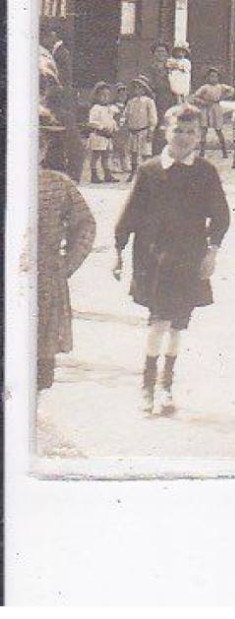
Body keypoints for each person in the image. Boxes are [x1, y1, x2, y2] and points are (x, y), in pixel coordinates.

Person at [113, 103, 232, 416]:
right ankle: (147, 387)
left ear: (199, 135)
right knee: (159, 321)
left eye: (191, 131)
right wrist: (118, 249)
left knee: (178, 324)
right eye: (178, 130)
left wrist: (213, 251)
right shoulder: (150, 170)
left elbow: (220, 215)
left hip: (189, 257)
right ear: (165, 131)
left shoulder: (205, 172)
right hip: (154, 257)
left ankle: (166, 386)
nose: (184, 137)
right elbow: (130, 212)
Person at [35, 108, 97, 391]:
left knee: (39, 370)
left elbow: (84, 225)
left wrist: (65, 265)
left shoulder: (58, 185)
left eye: (37, 144)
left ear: (44, 148)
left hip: (46, 283)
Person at [121, 78, 159, 180]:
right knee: (134, 152)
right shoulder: (130, 102)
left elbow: (152, 116)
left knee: (145, 153)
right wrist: (122, 123)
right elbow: (125, 114)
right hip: (133, 130)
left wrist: (151, 129)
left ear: (145, 89)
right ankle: (133, 173)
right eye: (136, 88)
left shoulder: (149, 102)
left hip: (144, 130)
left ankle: (147, 173)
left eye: (140, 88)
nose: (138, 90)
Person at [192, 67, 233, 160]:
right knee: (204, 129)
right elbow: (195, 97)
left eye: (215, 76)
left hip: (216, 108)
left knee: (218, 129)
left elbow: (231, 90)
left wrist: (223, 96)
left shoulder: (221, 86)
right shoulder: (205, 87)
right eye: (211, 76)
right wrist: (203, 102)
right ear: (207, 77)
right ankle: (202, 151)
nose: (213, 79)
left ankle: (224, 150)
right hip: (205, 108)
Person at [86, 82, 119, 184]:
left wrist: (114, 127)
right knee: (96, 155)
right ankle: (94, 175)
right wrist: (101, 127)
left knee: (106, 156)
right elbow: (92, 122)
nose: (105, 98)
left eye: (107, 95)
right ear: (97, 96)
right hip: (98, 135)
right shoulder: (95, 108)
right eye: (102, 95)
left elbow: (111, 120)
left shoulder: (109, 108)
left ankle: (107, 174)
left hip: (107, 136)